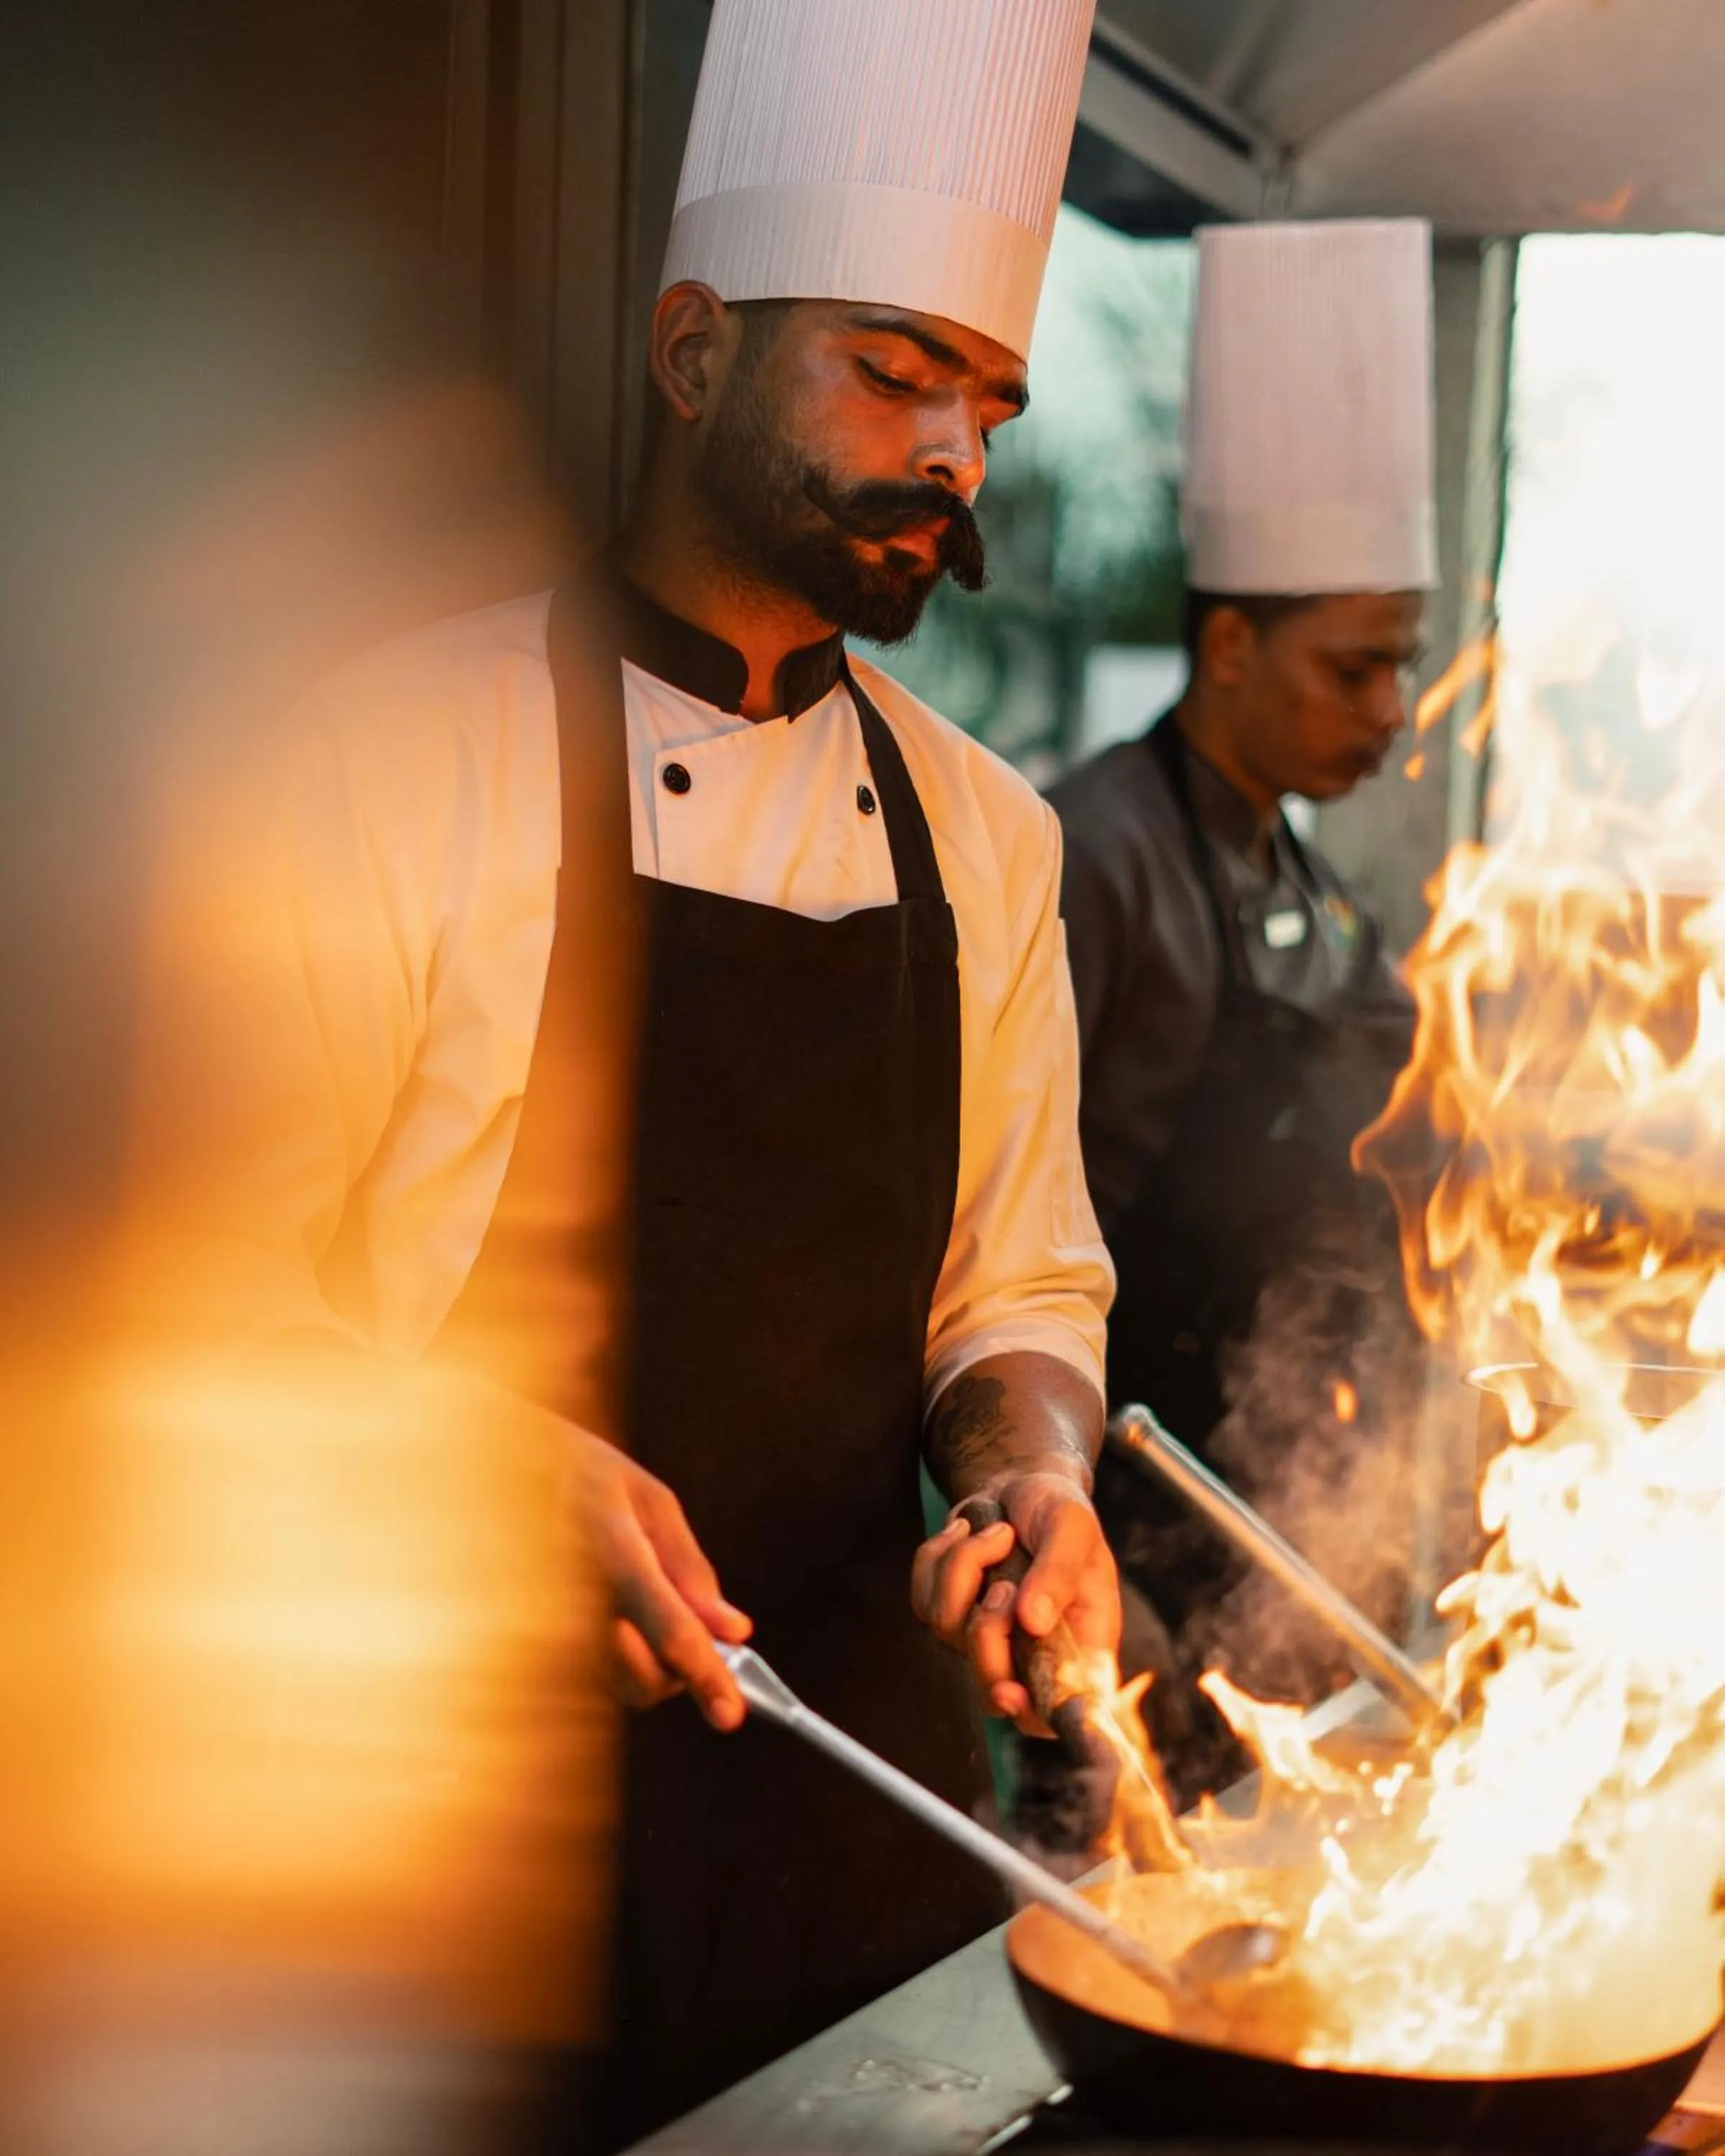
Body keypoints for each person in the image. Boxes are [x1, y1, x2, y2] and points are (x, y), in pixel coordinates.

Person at [127, 0, 1115, 2140]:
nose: (954, 451)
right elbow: (169, 1300)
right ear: (691, 350)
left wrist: (1031, 1472)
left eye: (990, 401)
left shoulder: (990, 836)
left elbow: (1017, 1288)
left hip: (849, 1811)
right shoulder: (383, 755)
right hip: (436, 1815)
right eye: (892, 366)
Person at [1049, 221, 1435, 1795]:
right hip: (1126, 1528)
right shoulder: (1093, 857)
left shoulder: (1313, 882)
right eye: (1354, 669)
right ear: (1226, 642)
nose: (1392, 713)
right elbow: (1001, 1236)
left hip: (1285, 1516)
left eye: (1402, 668)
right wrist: (1074, 1543)